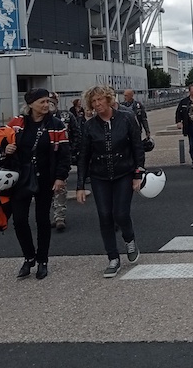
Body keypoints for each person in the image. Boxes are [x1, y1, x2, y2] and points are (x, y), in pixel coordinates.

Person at [76, 85, 145, 278]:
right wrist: (80, 185)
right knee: (104, 215)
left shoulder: (127, 118)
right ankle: (113, 258)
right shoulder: (89, 126)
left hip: (124, 172)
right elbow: (83, 156)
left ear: (108, 99)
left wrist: (138, 174)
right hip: (99, 176)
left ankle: (129, 239)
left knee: (121, 213)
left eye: (100, 99)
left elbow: (137, 147)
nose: (97, 104)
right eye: (93, 101)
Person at [3, 88, 71, 280]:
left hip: (45, 177)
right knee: (19, 219)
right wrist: (6, 148)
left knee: (42, 220)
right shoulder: (17, 123)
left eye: (47, 101)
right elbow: (2, 139)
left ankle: (42, 260)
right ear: (30, 104)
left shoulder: (56, 125)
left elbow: (64, 154)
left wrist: (60, 177)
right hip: (21, 178)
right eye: (42, 102)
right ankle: (29, 257)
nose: (46, 105)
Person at [49, 91, 82, 232]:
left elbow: (76, 133)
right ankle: (52, 213)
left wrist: (71, 151)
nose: (49, 104)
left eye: (52, 101)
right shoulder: (38, 120)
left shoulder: (66, 116)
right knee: (46, 189)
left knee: (60, 187)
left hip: (61, 157)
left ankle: (59, 217)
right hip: (44, 159)